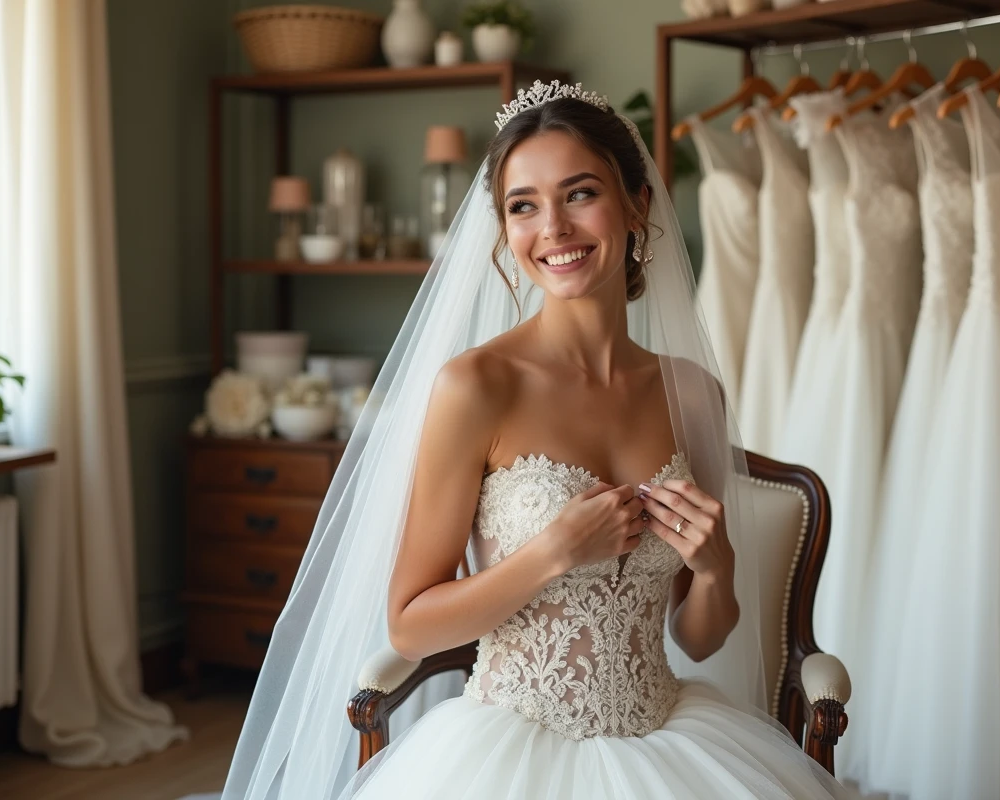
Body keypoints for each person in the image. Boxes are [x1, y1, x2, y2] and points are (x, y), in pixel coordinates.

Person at [220, 82, 850, 800]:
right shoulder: (475, 387)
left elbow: (699, 638)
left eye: (579, 193)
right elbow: (409, 626)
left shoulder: (693, 393)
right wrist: (553, 553)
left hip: (667, 739)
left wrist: (714, 569)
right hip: (506, 758)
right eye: (523, 205)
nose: (552, 227)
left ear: (638, 204)